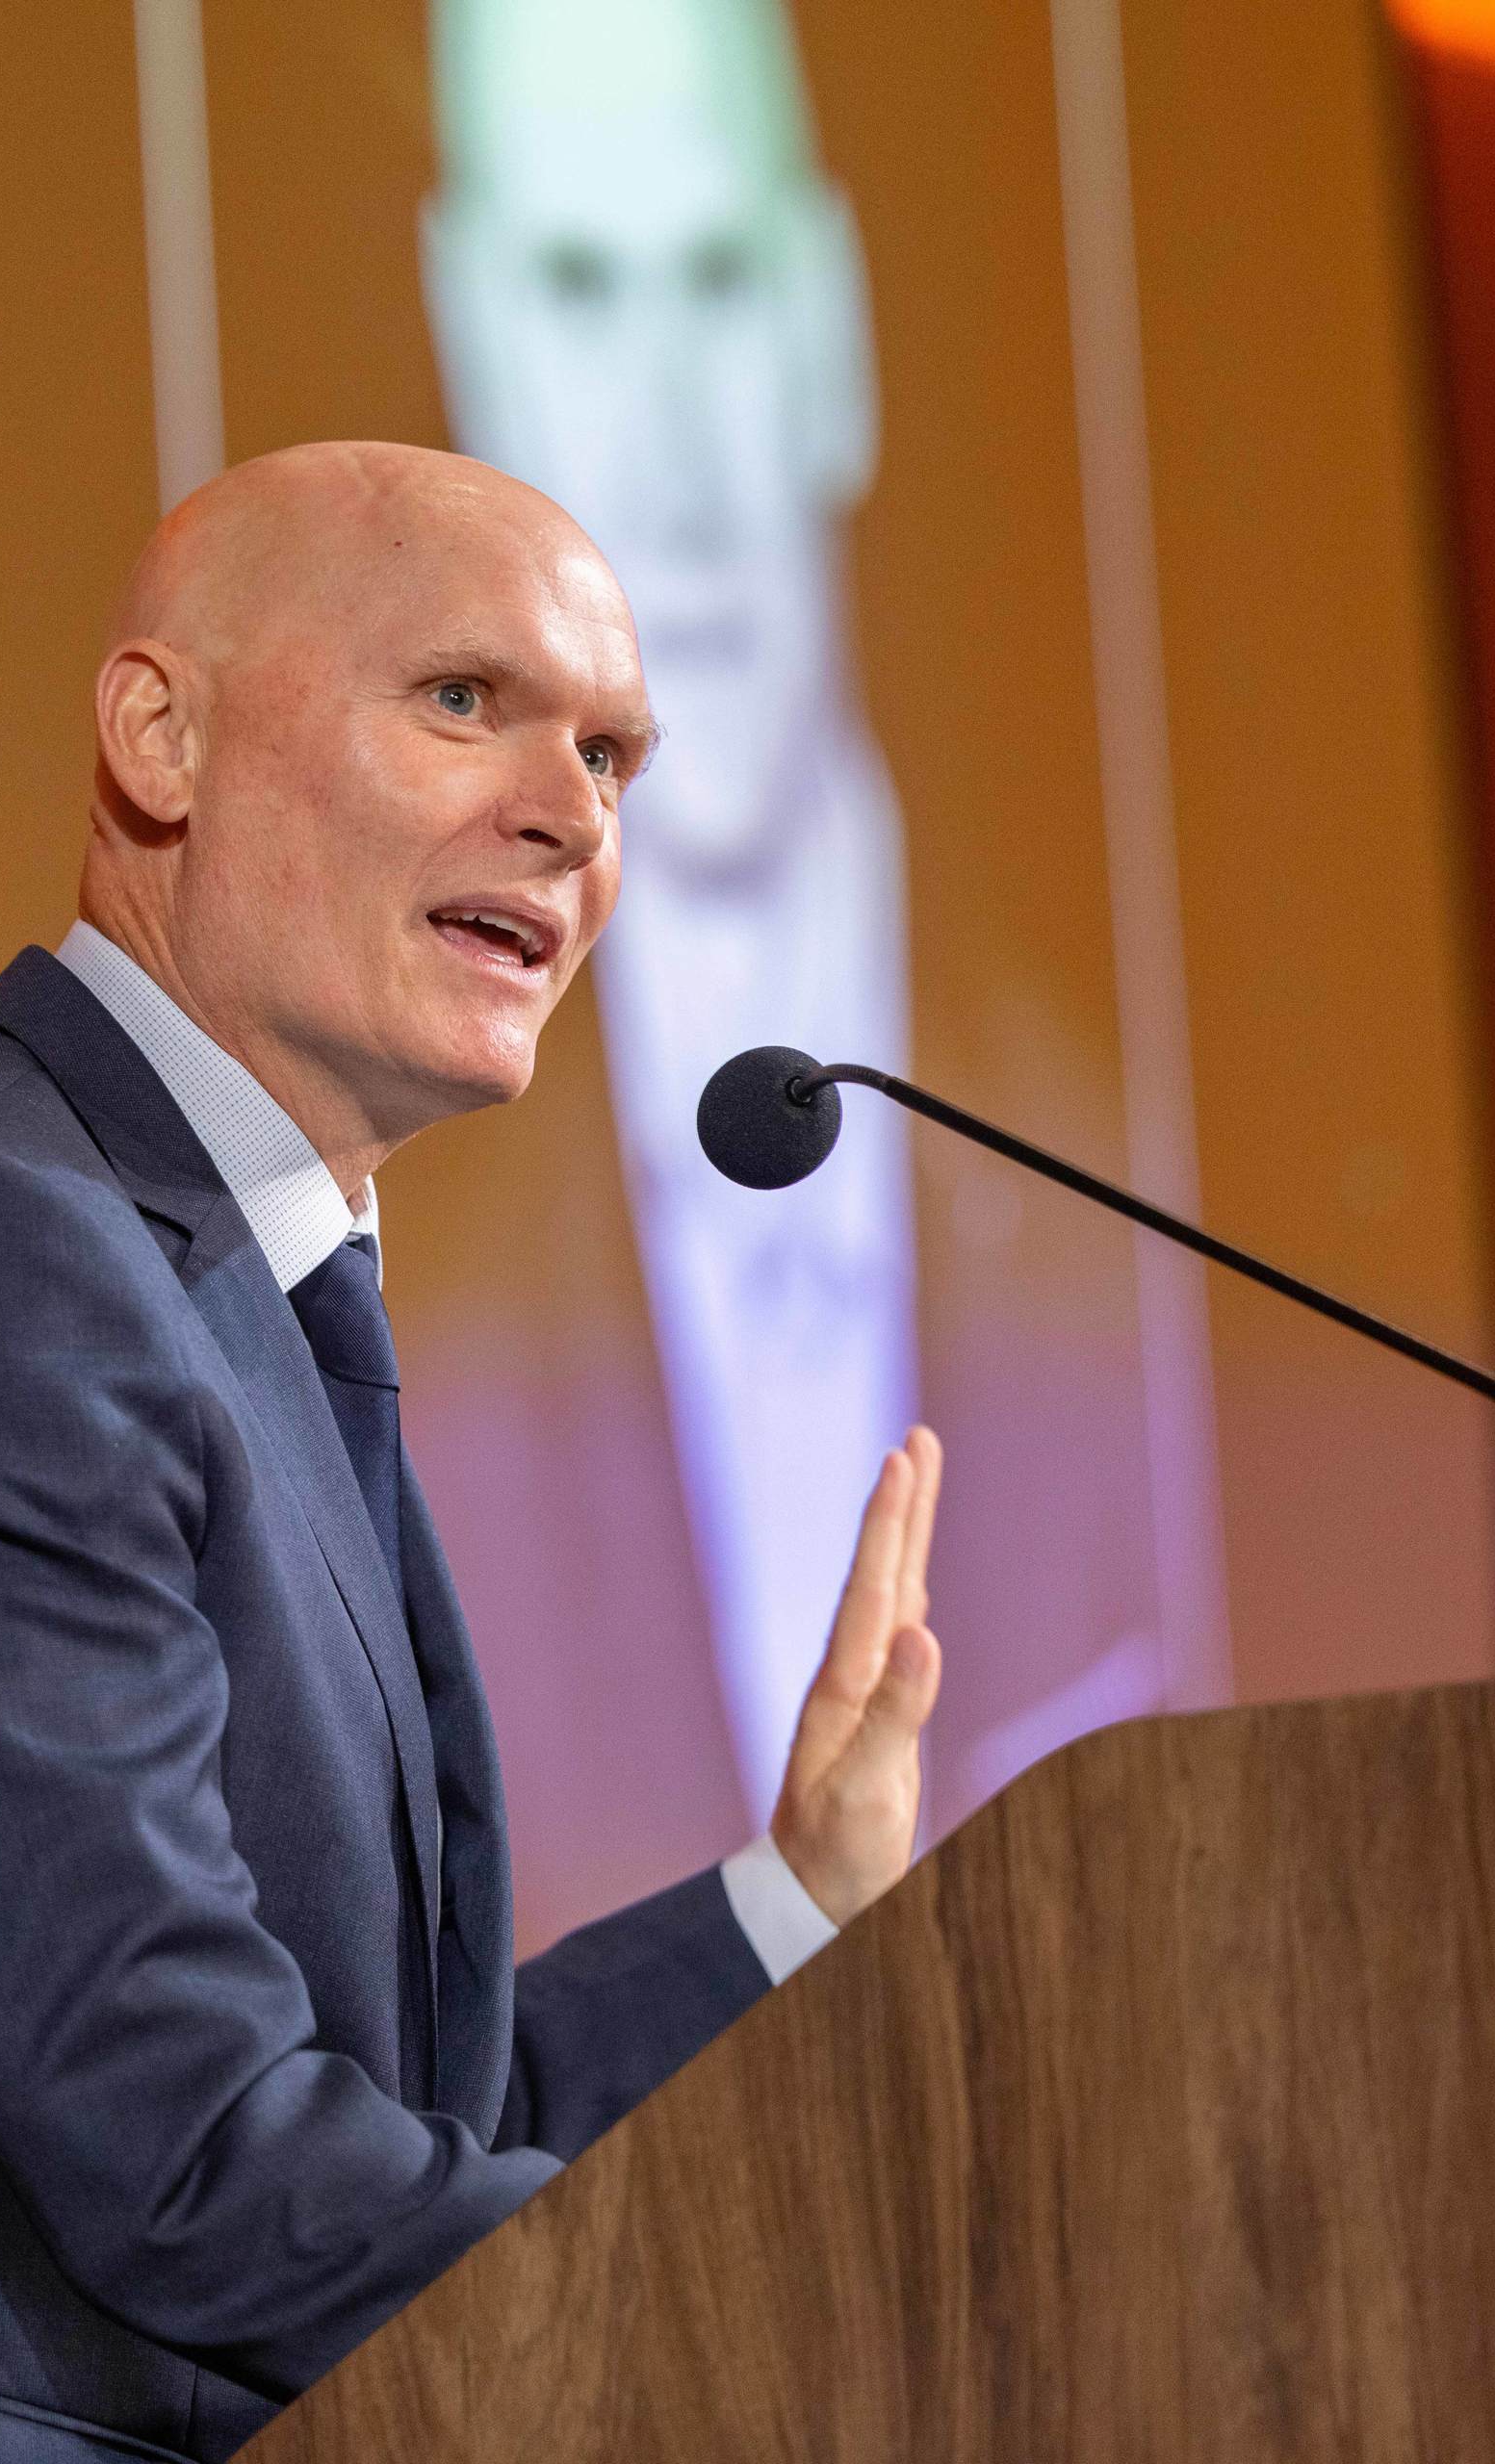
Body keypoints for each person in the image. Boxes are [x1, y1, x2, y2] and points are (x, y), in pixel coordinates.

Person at [0, 443, 944, 2464]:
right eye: (464, 700)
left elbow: (389, 2130)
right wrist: (838, 2339)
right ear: (159, 739)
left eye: (611, 754)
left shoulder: (226, 1298)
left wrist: (791, 1904)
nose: (573, 813)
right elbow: (179, 2124)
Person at [425, 0, 918, 1818]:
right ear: (476, 343)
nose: (669, 446)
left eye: (715, 283)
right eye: (576, 293)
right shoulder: (398, 1293)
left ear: (827, 323)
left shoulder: (1127, 1171)